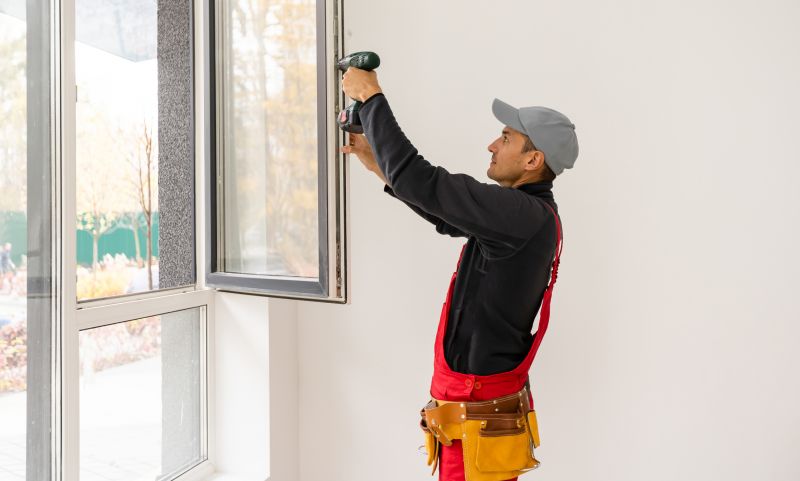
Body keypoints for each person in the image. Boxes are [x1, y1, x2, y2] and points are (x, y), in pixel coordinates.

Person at [341, 67, 578, 481]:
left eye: (506, 138)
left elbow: (425, 182)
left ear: (532, 160)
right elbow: (446, 217)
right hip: (473, 423)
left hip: (474, 425)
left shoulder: (522, 216)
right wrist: (380, 166)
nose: (492, 144)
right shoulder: (525, 217)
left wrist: (373, 98)